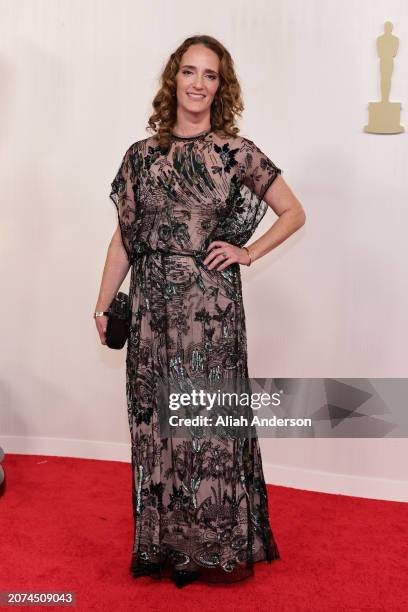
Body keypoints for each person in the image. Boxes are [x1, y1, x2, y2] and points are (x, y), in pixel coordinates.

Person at [94, 34, 306, 588]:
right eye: (189, 72)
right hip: (150, 312)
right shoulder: (141, 157)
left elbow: (292, 211)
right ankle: (167, 542)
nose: (198, 84)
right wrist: (102, 305)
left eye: (209, 75)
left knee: (206, 429)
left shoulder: (236, 152)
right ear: (175, 80)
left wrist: (247, 251)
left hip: (209, 312)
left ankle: (213, 547)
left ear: (221, 85)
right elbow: (123, 241)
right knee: (159, 427)